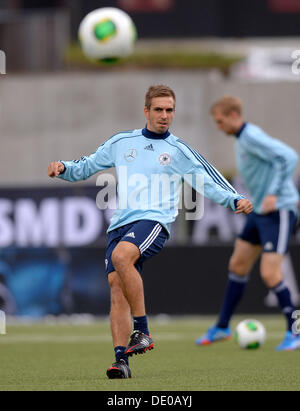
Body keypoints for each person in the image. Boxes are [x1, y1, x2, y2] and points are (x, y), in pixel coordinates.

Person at [48, 85, 252, 379]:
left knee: (122, 256)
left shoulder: (178, 150)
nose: (164, 115)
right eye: (159, 109)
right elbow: (86, 166)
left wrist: (233, 198)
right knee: (117, 291)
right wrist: (63, 168)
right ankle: (121, 361)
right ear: (146, 111)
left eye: (170, 110)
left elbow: (208, 178)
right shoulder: (122, 142)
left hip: (154, 221)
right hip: (120, 223)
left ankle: (142, 330)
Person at [196, 96, 300, 351]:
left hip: (279, 210)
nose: (218, 127)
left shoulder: (251, 136)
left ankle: (295, 331)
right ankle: (222, 326)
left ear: (233, 116)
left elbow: (289, 156)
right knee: (238, 264)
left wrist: (274, 193)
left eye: (220, 122)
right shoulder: (242, 138)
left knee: (270, 273)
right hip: (260, 210)